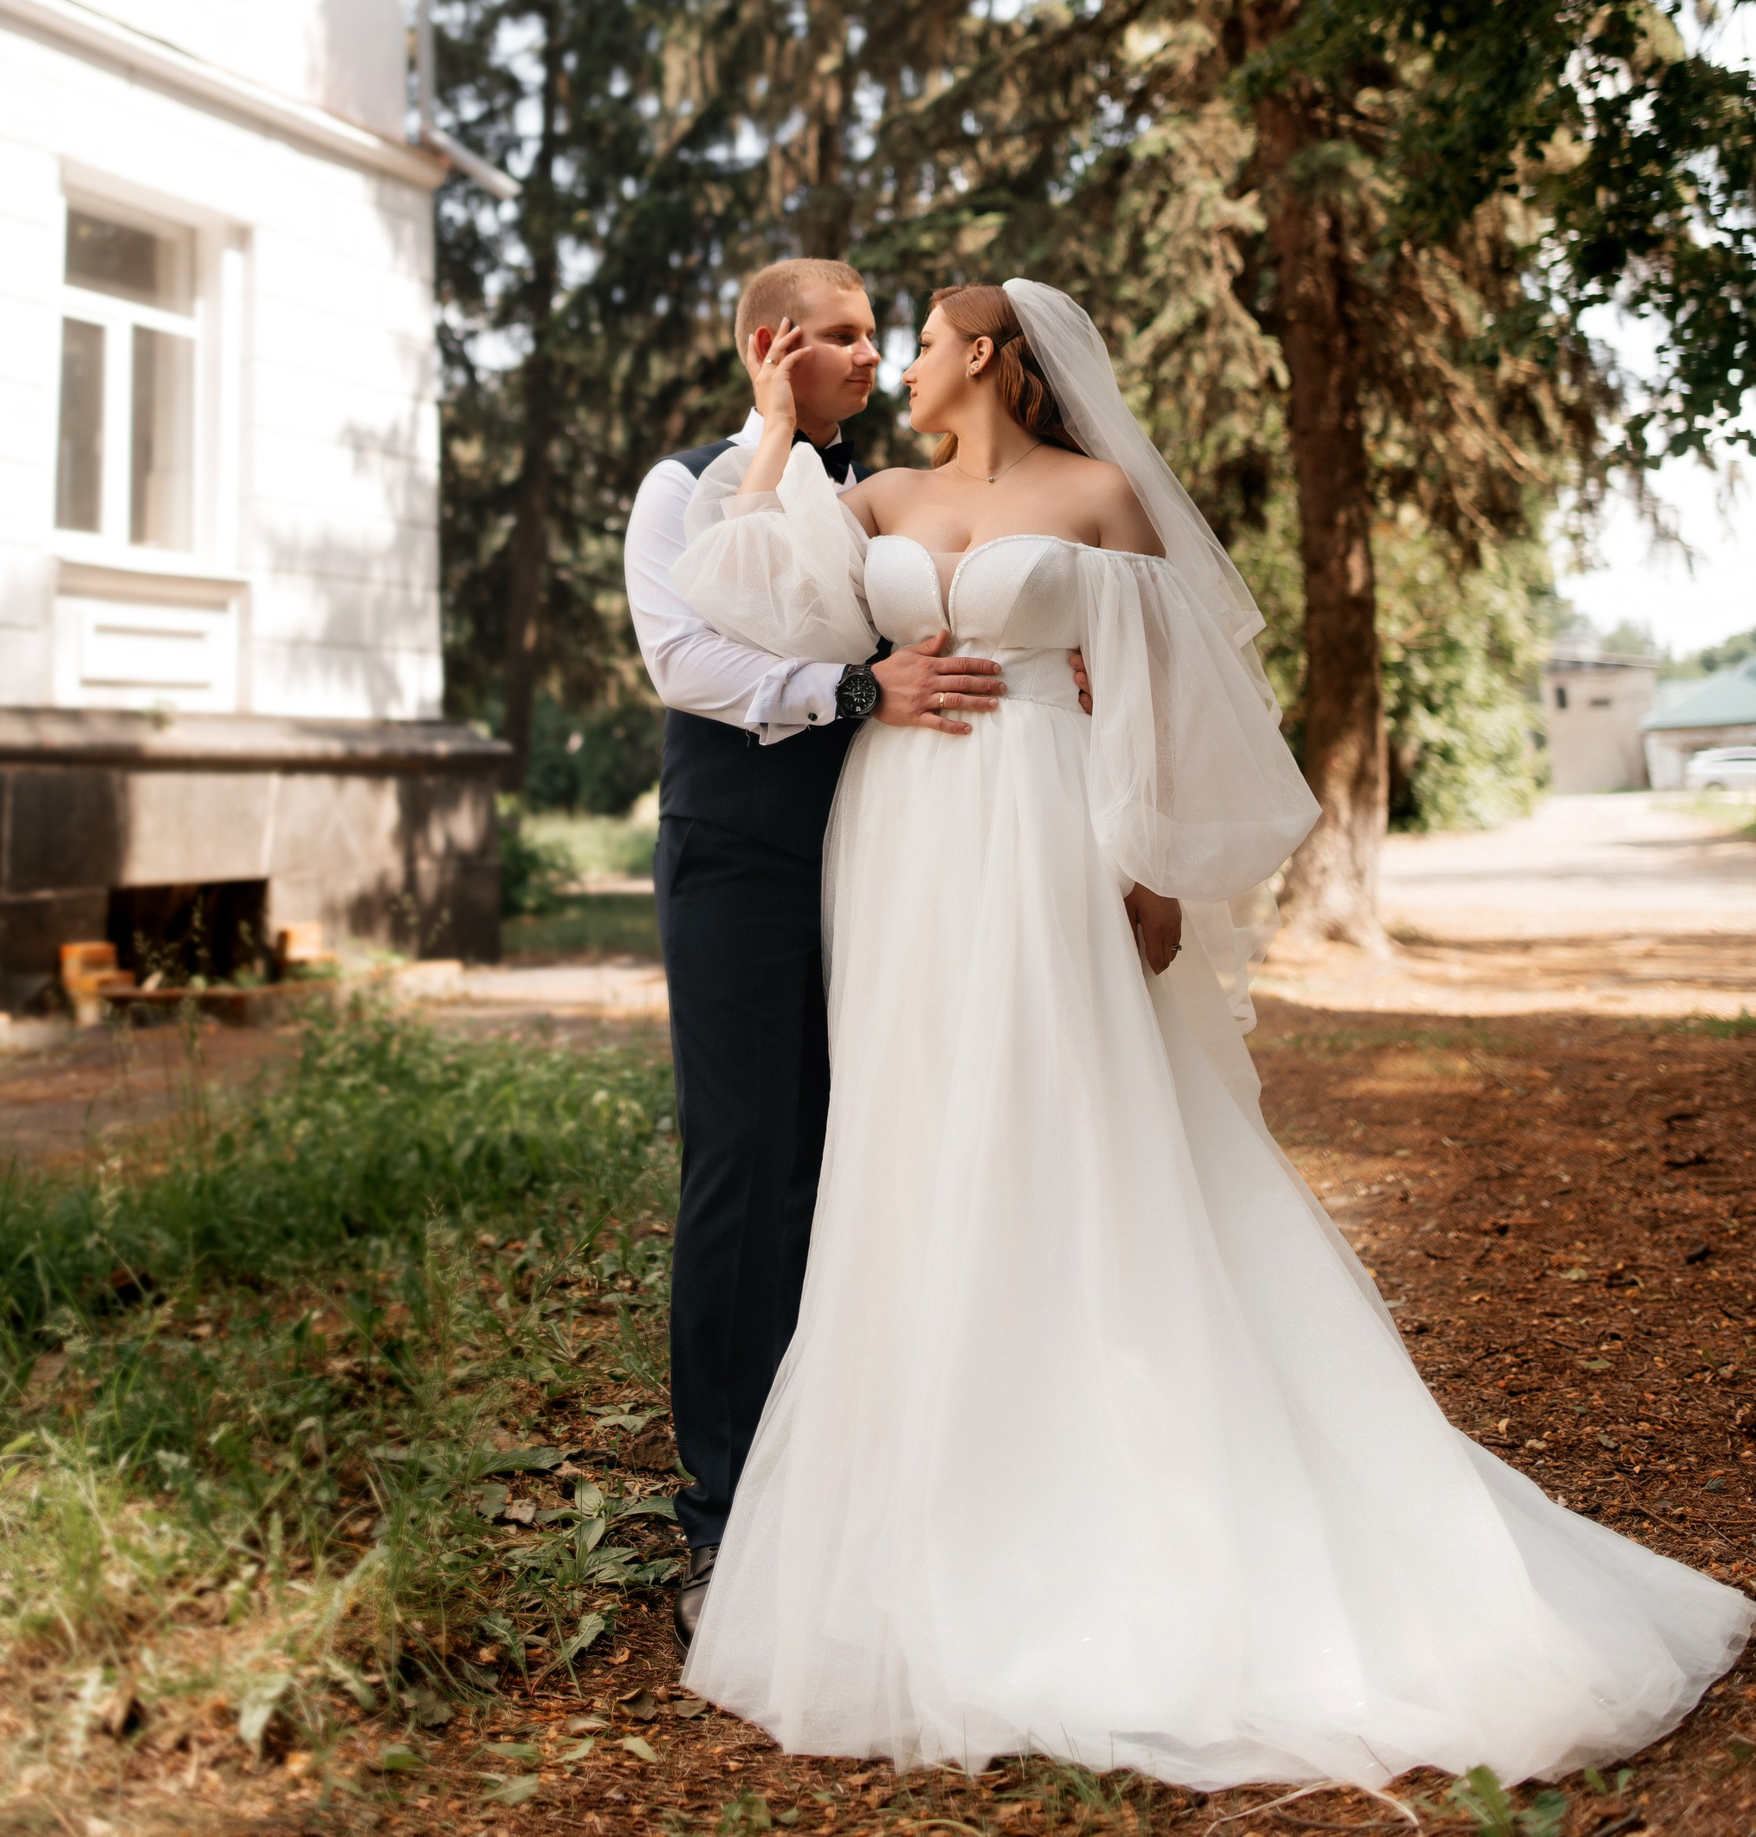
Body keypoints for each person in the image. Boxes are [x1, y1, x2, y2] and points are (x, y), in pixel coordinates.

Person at [668, 278, 1752, 1789]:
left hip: (1051, 824)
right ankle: (938, 1477)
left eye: (920, 342)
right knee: (919, 1128)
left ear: (984, 354)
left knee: (1071, 1114)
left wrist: (1153, 862)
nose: (902, 365)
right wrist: (776, 435)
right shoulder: (879, 499)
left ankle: (1120, 1448)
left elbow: (1170, 690)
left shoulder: (1100, 496)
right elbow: (735, 596)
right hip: (906, 837)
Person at [622, 259, 1017, 1643]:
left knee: (870, 1152)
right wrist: (855, 688)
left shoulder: (883, 495)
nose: (867, 356)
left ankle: (856, 1477)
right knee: (749, 1163)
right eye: (840, 335)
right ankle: (725, 1519)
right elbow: (684, 662)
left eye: (874, 335)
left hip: (889, 854)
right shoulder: (684, 487)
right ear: (768, 343)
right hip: (740, 858)